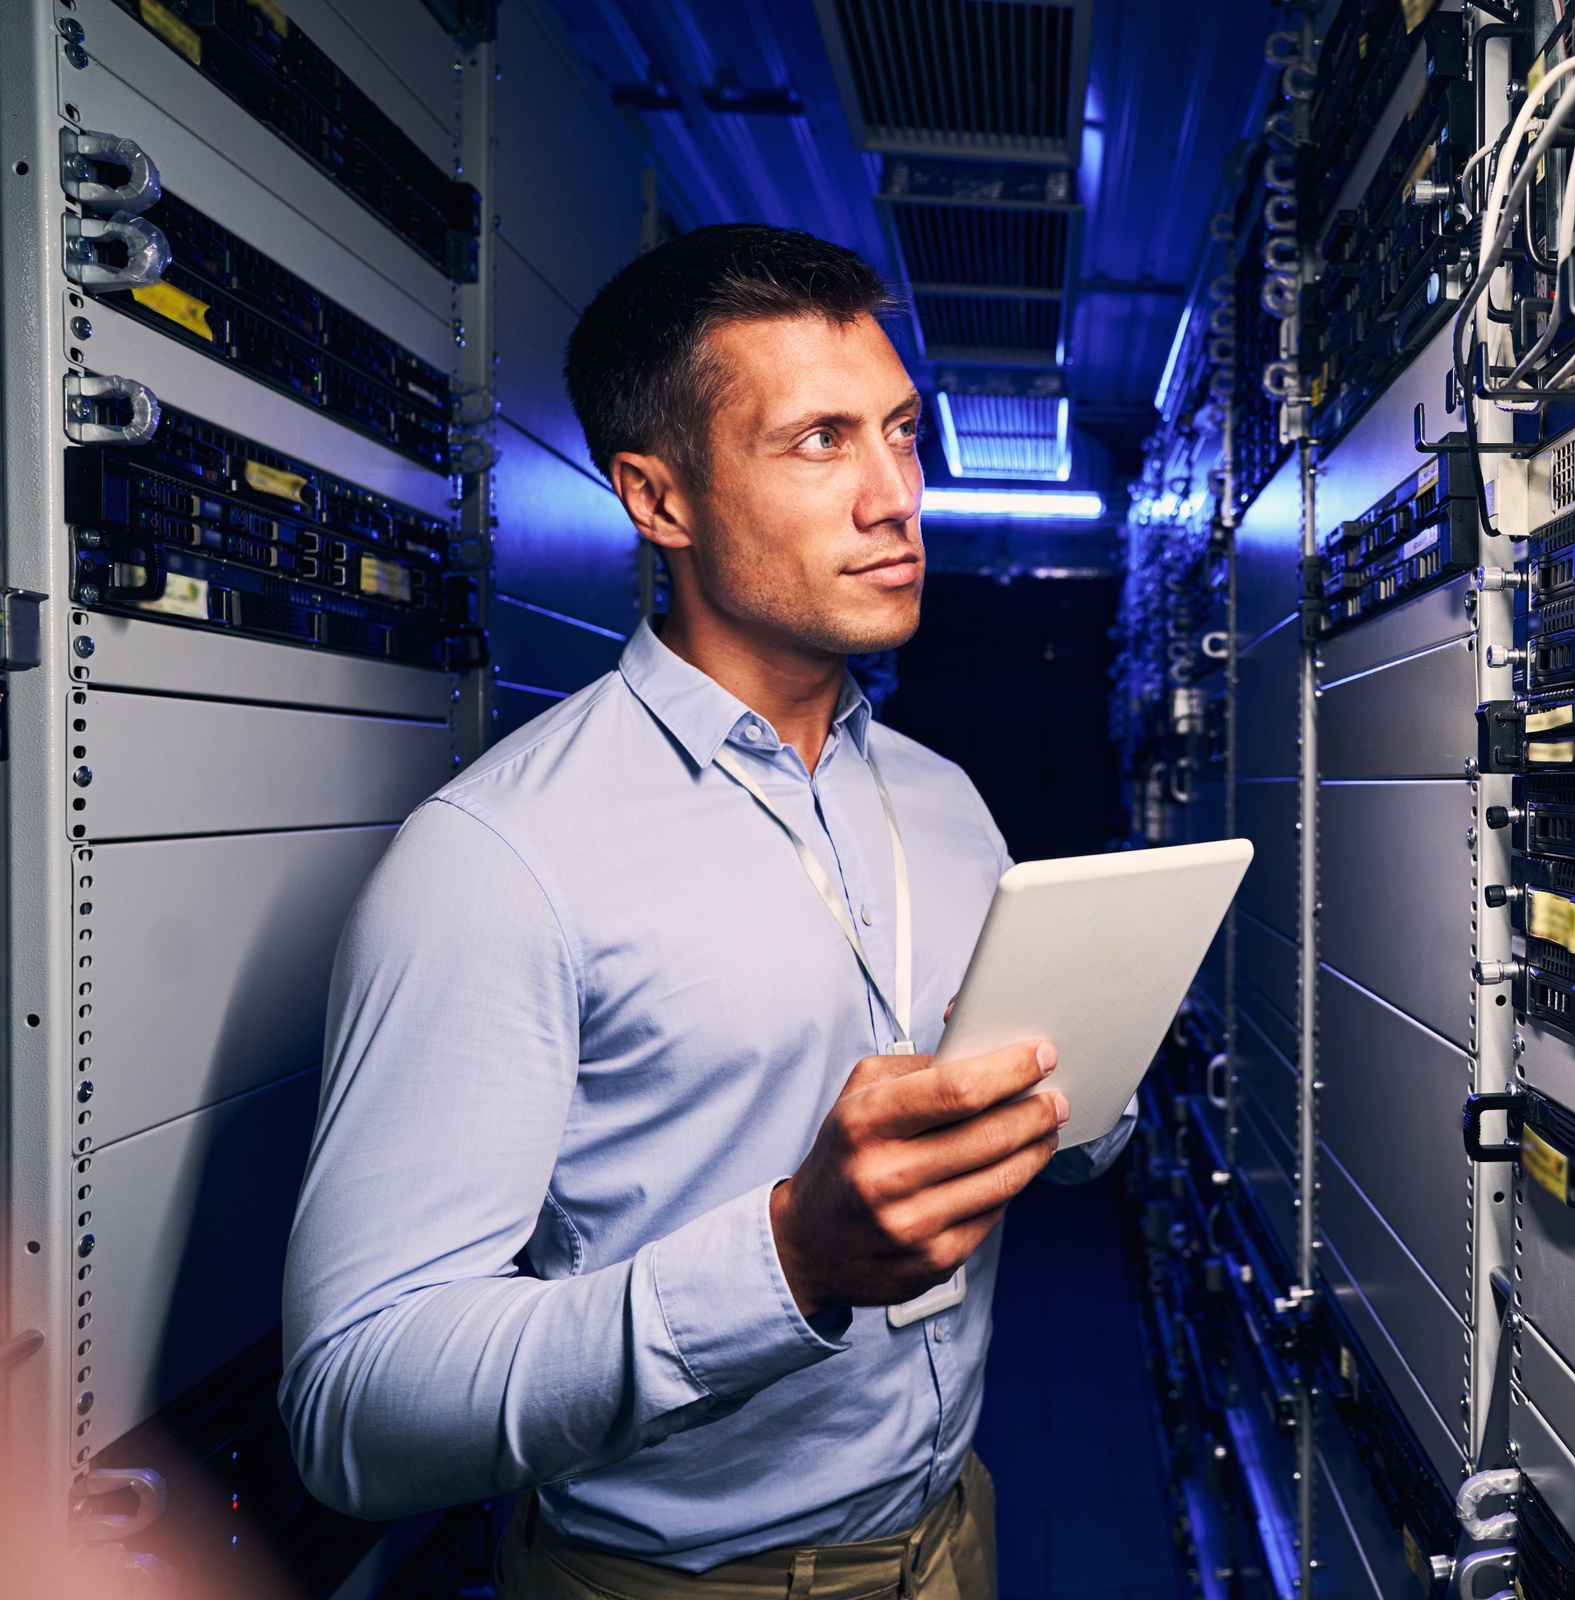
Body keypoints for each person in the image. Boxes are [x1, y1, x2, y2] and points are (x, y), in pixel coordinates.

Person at [279, 224, 1133, 1600]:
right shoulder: (498, 859)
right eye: (819, 442)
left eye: (901, 433)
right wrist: (791, 1260)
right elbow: (353, 1409)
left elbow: (1040, 1133)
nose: (896, 497)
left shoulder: (944, 802)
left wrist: (1077, 1086)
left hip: (950, 1534)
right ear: (657, 499)